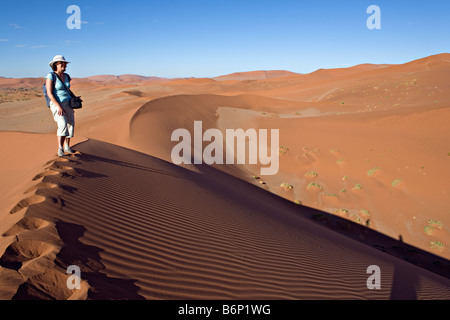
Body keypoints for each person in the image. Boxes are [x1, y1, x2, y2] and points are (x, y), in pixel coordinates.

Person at [46, 55, 78, 157]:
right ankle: (60, 148)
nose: (64, 65)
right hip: (57, 104)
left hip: (68, 104)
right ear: (56, 65)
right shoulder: (51, 76)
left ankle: (67, 146)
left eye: (65, 63)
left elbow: (67, 90)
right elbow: (49, 93)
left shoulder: (67, 76)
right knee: (62, 124)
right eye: (62, 63)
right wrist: (58, 106)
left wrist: (75, 97)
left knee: (70, 124)